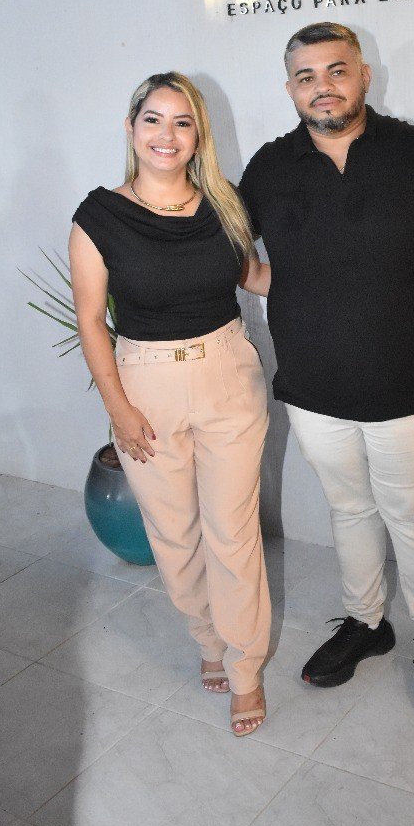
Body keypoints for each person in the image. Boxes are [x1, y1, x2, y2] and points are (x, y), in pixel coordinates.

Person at [239, 22, 414, 711]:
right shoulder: (269, 168)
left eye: (336, 70)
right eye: (306, 77)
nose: (323, 87)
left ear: (364, 75)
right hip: (312, 384)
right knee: (348, 509)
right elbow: (227, 250)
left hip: (407, 379)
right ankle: (366, 624)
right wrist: (281, 287)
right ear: (289, 89)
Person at [69, 72, 271, 737]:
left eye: (182, 122)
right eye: (153, 119)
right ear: (131, 129)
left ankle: (245, 666)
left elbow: (253, 275)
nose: (167, 134)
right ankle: (207, 638)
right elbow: (91, 320)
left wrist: (333, 279)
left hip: (228, 374)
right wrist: (119, 408)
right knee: (174, 534)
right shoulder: (98, 216)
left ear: (197, 135)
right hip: (146, 384)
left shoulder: (223, 204)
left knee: (232, 532)